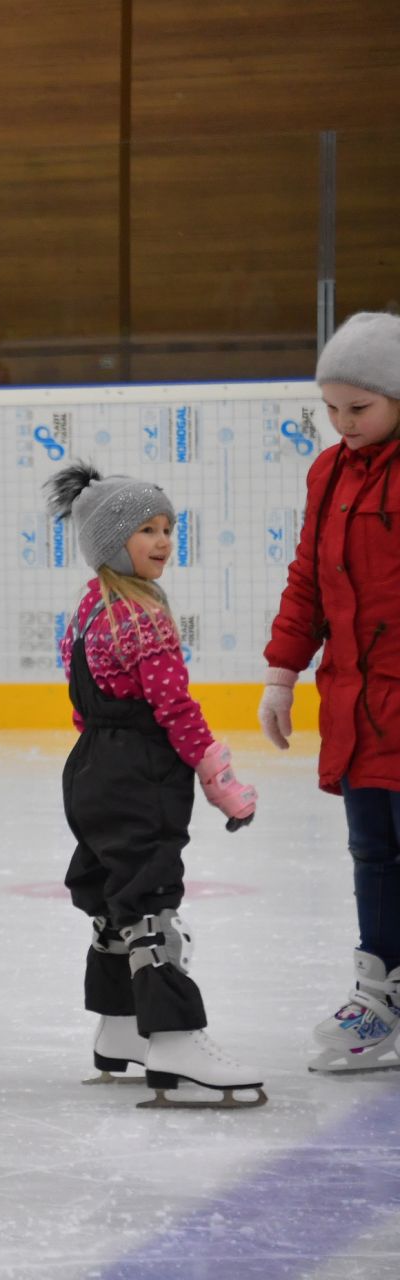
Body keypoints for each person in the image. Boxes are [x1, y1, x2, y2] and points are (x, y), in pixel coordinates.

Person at [45, 462, 264, 1108]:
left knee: (116, 896)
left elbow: (83, 704)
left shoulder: (91, 609)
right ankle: (172, 1038)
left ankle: (119, 1029)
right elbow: (176, 711)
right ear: (115, 543)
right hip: (141, 772)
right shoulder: (143, 617)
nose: (164, 540)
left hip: (91, 768)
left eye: (168, 527)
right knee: (149, 901)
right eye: (147, 529)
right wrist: (218, 777)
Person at [259, 311, 400, 1073]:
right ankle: (379, 994)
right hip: (356, 701)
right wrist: (283, 673)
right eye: (332, 409)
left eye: (361, 408)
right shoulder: (330, 472)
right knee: (372, 849)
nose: (344, 424)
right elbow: (309, 577)